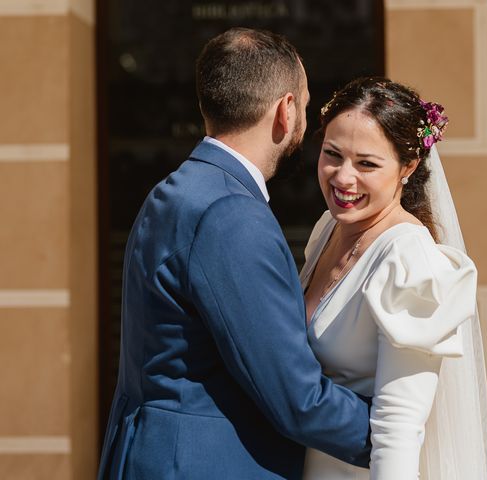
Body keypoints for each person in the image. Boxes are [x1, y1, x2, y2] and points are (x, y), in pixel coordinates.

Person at [97, 28, 372, 480]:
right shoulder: (231, 215)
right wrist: (398, 430)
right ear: (285, 111)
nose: (302, 117)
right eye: (303, 105)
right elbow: (295, 398)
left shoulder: (176, 189)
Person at [300, 77, 487, 479]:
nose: (342, 178)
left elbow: (398, 428)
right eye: (332, 154)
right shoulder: (328, 229)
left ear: (408, 167)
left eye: (366, 163)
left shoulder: (412, 263)